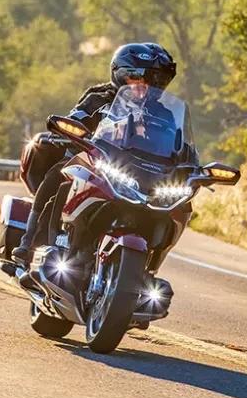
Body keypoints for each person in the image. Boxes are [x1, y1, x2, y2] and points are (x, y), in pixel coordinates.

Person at [11, 42, 177, 265]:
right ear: (121, 75)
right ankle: (28, 241)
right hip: (90, 159)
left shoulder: (163, 114)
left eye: (154, 81)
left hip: (133, 171)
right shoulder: (99, 97)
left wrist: (187, 161)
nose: (144, 86)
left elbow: (174, 144)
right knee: (57, 178)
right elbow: (76, 119)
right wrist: (71, 130)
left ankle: (145, 268)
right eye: (138, 79)